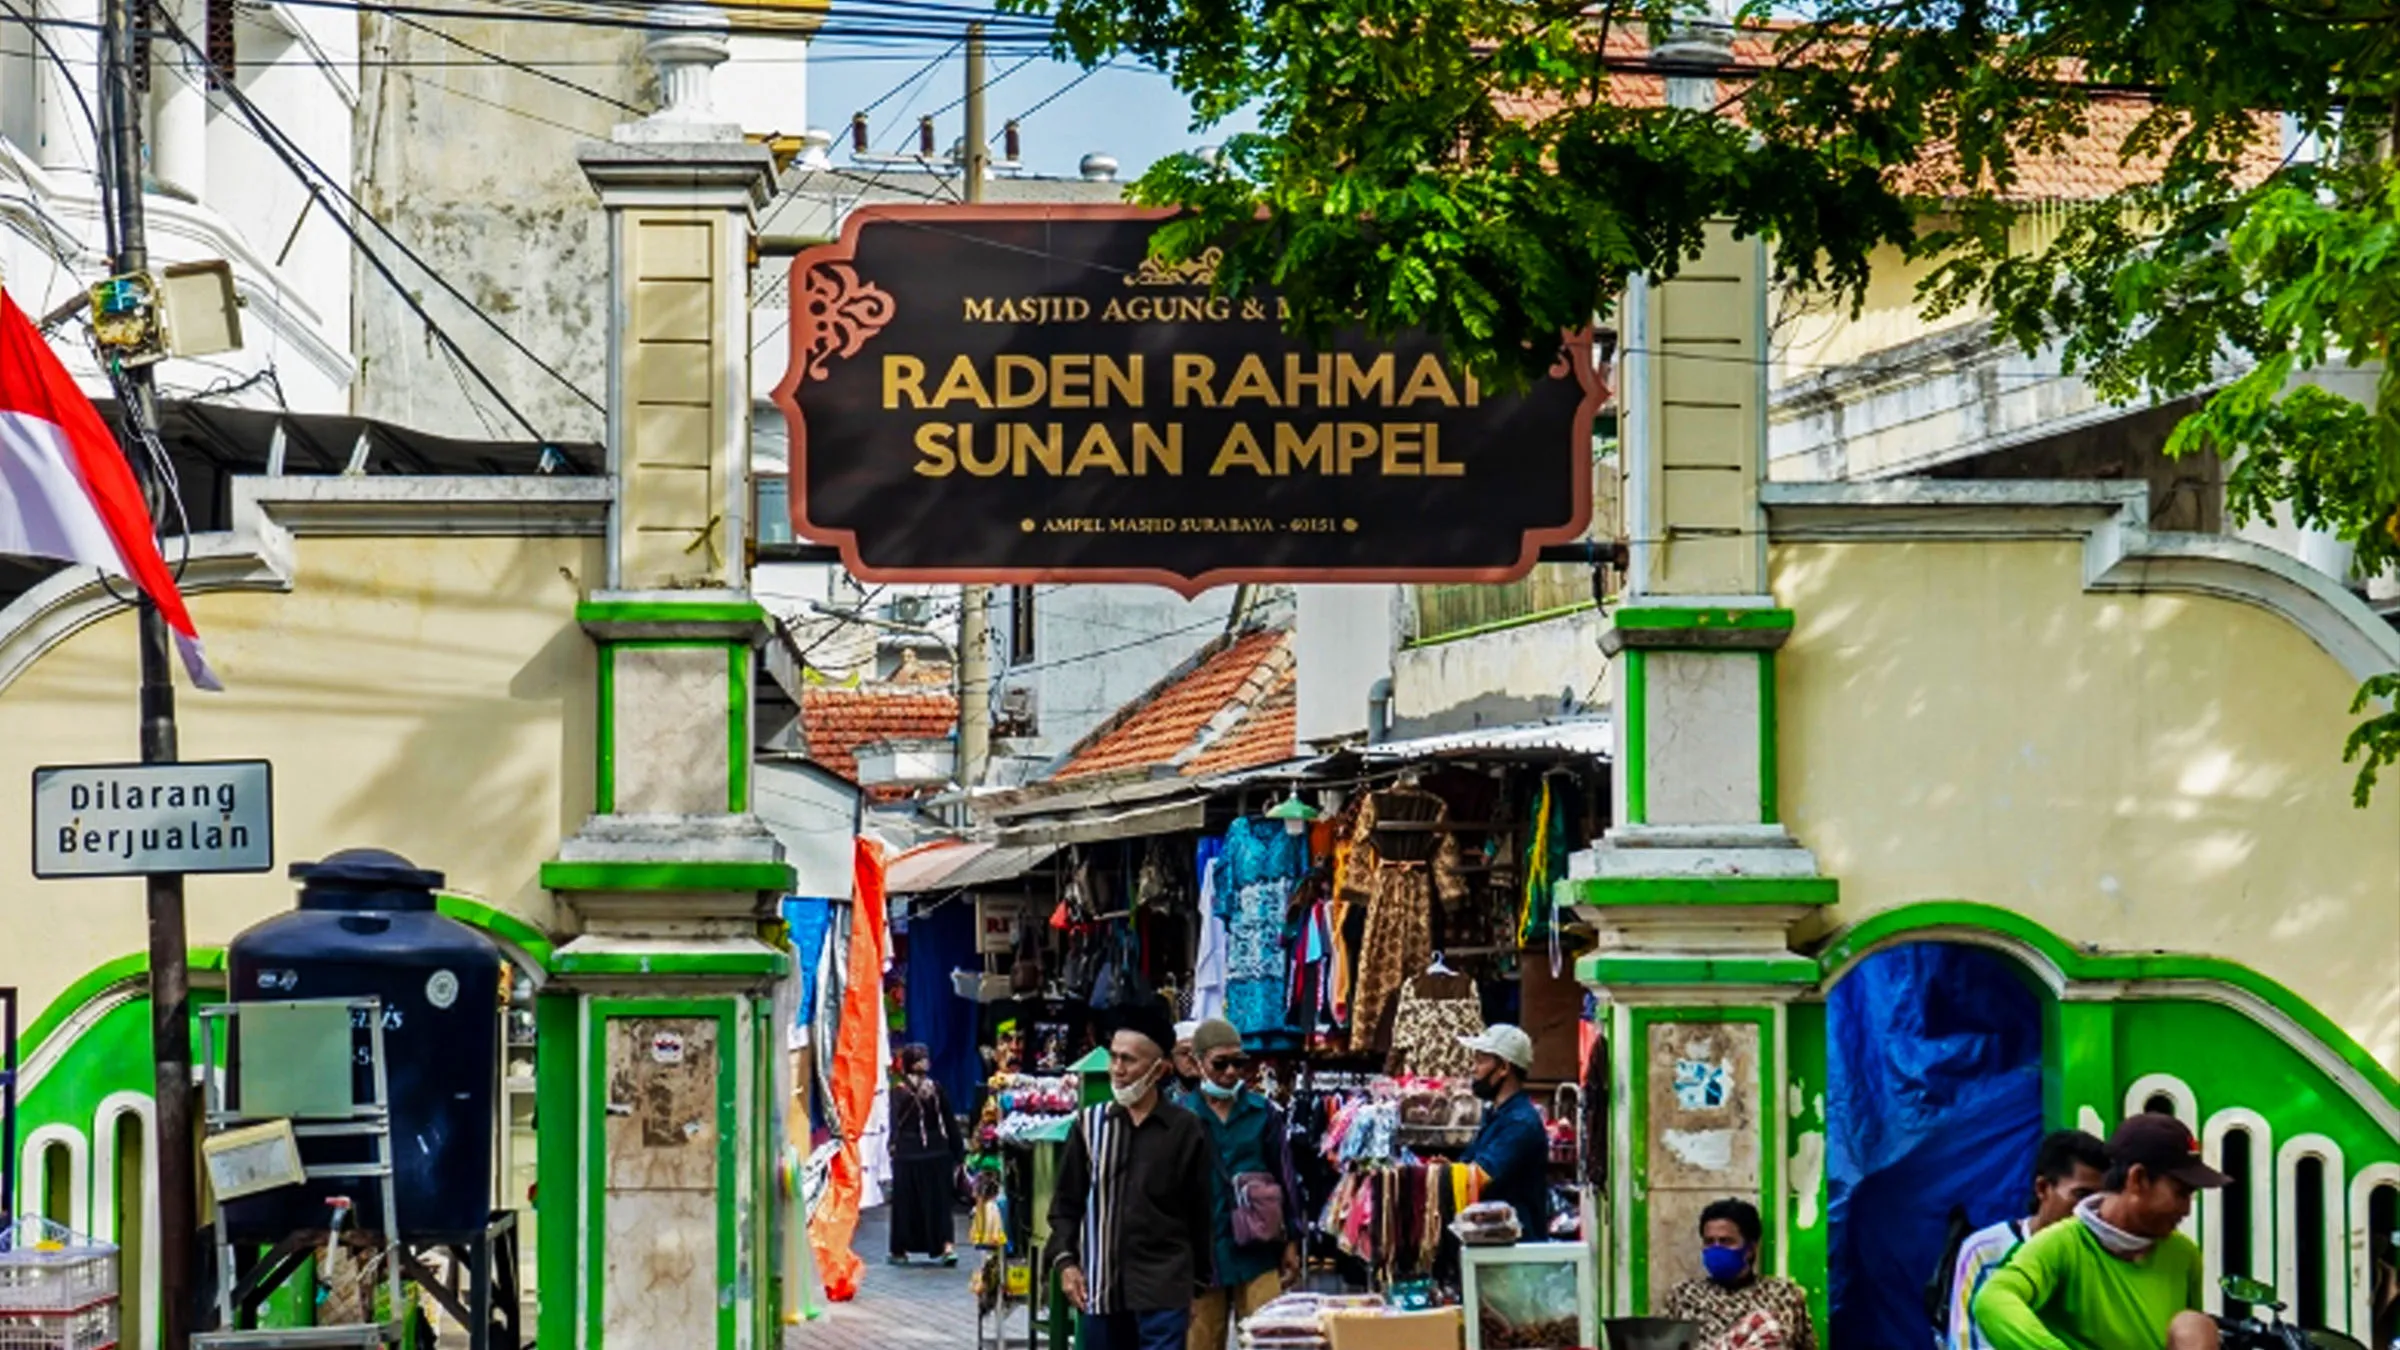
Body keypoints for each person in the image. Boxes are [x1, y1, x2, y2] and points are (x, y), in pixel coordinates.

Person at [1973, 1113, 2227, 1350]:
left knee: (2193, 1325)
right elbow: (1992, 1300)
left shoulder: (2183, 1254)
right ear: (2137, 1179)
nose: (2186, 1210)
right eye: (2180, 1193)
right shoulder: (2062, 1243)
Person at [1049, 1000, 1218, 1350]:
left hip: (1163, 1293)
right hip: (1100, 1291)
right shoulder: (1089, 1125)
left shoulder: (1186, 1130)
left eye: (1129, 1060)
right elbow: (1066, 1204)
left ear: (1159, 1070)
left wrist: (1196, 1288)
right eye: (1114, 1057)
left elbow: (1201, 1213)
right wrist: (1066, 1262)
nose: (1117, 1069)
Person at [1186, 1018, 1300, 1350]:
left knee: (1270, 1340)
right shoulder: (1181, 1117)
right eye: (1220, 1063)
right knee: (1200, 1342)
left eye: (1239, 1062)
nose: (1231, 1071)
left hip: (1258, 1248)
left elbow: (1285, 1175)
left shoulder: (1263, 1113)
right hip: (1202, 1255)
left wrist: (1291, 1241)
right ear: (1198, 1063)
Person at [1946, 1129, 2110, 1350]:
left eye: (2100, 1200)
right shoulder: (1986, 1251)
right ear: (2042, 1188)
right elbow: (1964, 1340)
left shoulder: (2103, 1253)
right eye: (2081, 1196)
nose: (2090, 1210)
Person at [1661, 1197, 1819, 1350]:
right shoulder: (1684, 1297)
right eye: (1709, 1242)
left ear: (1750, 1248)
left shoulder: (1783, 1295)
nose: (1716, 1249)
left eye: (1726, 1241)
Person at [1458, 1025, 1550, 1238]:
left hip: (1517, 1246)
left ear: (1503, 1069)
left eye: (1481, 1061)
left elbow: (1480, 1176)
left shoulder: (1520, 1123)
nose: (1474, 1069)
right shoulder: (1496, 1114)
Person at [886, 1043, 960, 1266]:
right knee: (937, 1203)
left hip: (916, 1154)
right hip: (929, 1153)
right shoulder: (928, 1090)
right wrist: (958, 1151)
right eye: (920, 1058)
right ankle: (943, 1245)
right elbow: (949, 1121)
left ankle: (907, 1248)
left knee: (911, 1204)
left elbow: (893, 1124)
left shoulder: (904, 1092)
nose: (925, 1061)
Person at [1169, 1020, 1204, 1104]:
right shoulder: (1163, 1098)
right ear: (1171, 1058)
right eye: (1184, 1053)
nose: (1192, 1058)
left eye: (1197, 1051)